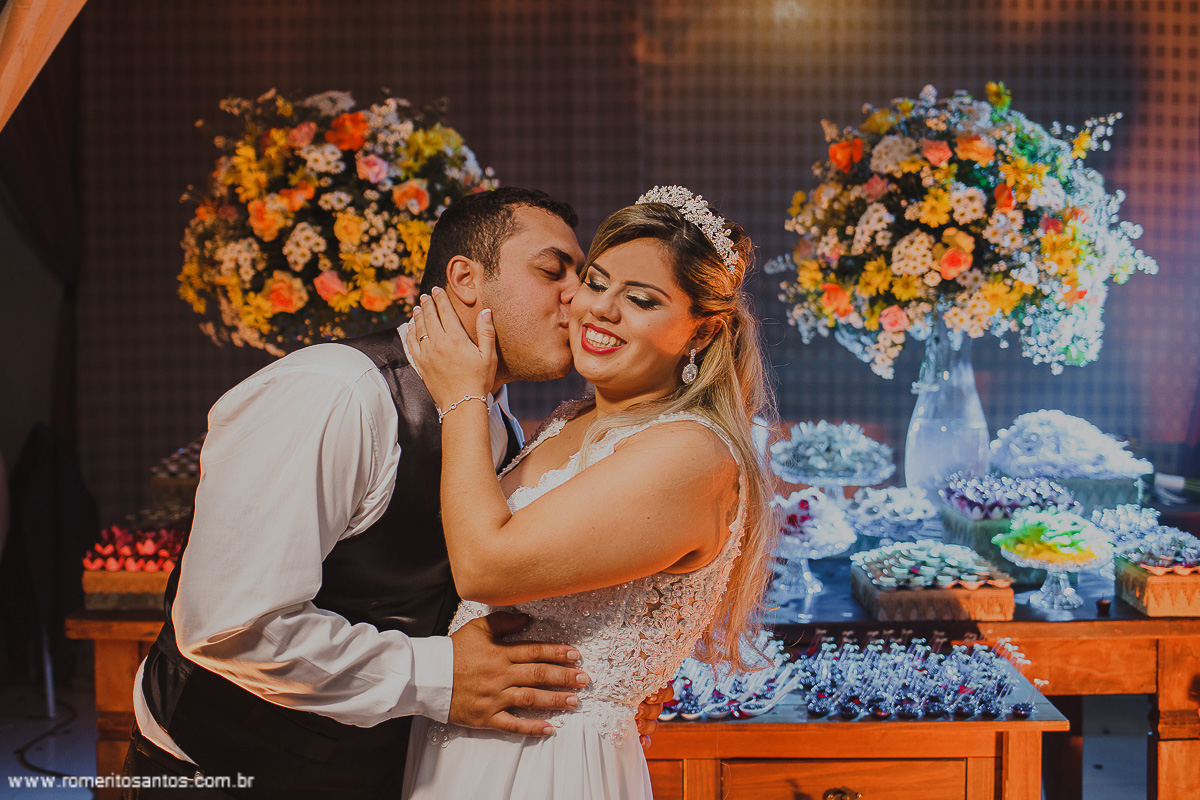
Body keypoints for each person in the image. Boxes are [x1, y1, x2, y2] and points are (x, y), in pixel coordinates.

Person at [123, 188, 665, 799]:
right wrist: (443, 677)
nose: (579, 296)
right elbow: (228, 624)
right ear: (466, 278)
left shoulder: (498, 422)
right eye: (552, 271)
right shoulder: (337, 392)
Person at [400, 186, 776, 799]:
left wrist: (462, 394)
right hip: (464, 741)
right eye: (595, 283)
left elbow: (485, 567)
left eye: (642, 299)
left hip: (547, 762)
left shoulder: (689, 453)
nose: (600, 309)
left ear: (701, 334)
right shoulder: (571, 420)